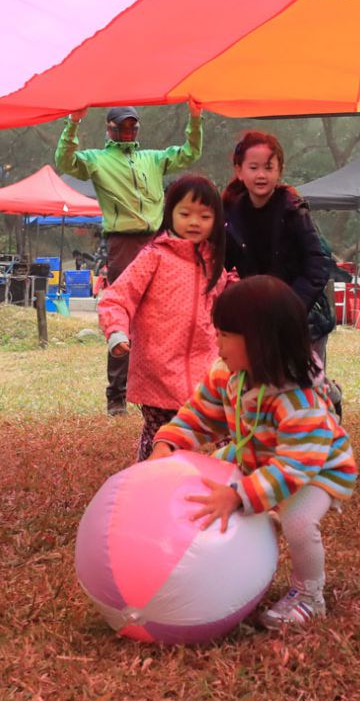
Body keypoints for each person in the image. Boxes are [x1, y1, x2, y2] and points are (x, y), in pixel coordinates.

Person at [152, 275, 355, 630]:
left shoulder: (297, 397)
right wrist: (168, 442)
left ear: (260, 341)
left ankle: (310, 596)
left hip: (316, 468)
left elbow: (294, 465)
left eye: (225, 335)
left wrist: (239, 495)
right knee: (204, 477)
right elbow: (200, 415)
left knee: (297, 521)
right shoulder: (228, 374)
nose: (217, 343)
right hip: (256, 456)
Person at [57, 101, 203, 416]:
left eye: (132, 126)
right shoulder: (97, 160)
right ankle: (116, 395)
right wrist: (73, 123)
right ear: (109, 129)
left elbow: (190, 154)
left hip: (159, 240)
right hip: (123, 242)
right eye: (122, 126)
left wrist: (195, 118)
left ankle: (162, 392)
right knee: (123, 314)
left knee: (163, 316)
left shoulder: (154, 158)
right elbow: (66, 161)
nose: (127, 131)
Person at [98, 175, 230, 461]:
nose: (194, 222)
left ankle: (223, 484)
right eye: (185, 213)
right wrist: (116, 331)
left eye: (205, 216)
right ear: (169, 213)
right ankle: (145, 484)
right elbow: (117, 297)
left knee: (223, 437)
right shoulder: (154, 256)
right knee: (162, 441)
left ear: (216, 220)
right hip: (158, 373)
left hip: (206, 373)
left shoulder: (216, 264)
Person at [221, 129, 337, 394]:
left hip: (305, 317)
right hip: (262, 317)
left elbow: (319, 263)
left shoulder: (293, 209)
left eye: (268, 167)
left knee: (307, 383)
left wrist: (291, 308)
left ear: (279, 171)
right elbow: (222, 262)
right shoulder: (232, 213)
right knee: (269, 381)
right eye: (253, 168)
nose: (261, 175)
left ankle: (329, 403)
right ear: (239, 171)